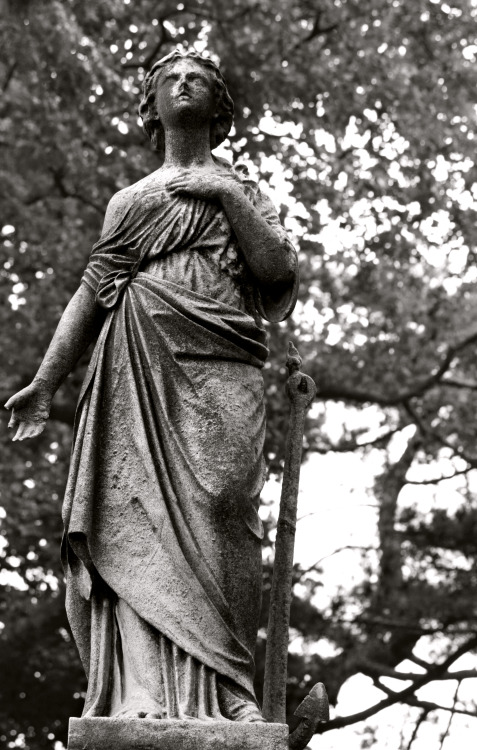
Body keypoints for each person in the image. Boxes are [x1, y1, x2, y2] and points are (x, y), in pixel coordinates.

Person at [5, 50, 298, 722]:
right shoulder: (132, 201)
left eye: (197, 77)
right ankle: (142, 691)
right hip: (138, 361)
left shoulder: (245, 189)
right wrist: (47, 382)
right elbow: (89, 291)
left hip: (224, 358)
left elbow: (277, 267)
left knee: (227, 505)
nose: (184, 82)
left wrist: (225, 195)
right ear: (153, 104)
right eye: (170, 78)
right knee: (134, 517)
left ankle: (230, 685)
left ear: (218, 105)